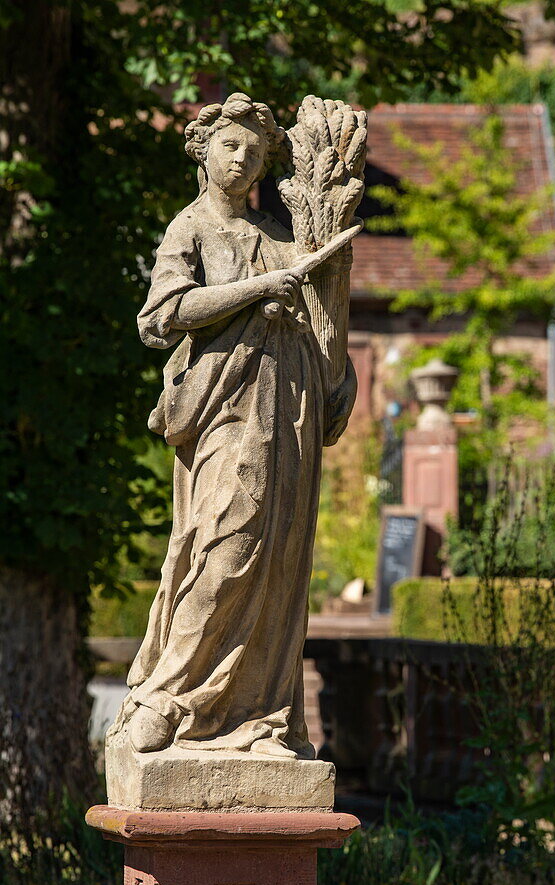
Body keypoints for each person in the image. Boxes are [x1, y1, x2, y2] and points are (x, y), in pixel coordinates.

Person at [114, 92, 356, 758]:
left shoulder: (273, 244)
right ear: (204, 150)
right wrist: (257, 290)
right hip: (224, 412)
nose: (243, 158)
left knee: (276, 560)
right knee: (226, 546)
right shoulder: (190, 229)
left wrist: (342, 365)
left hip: (286, 410)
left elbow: (319, 324)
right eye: (230, 145)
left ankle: (257, 713)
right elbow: (159, 316)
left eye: (254, 151)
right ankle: (166, 697)